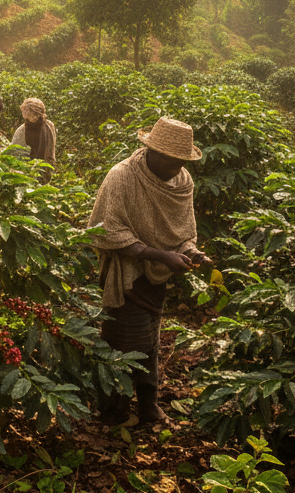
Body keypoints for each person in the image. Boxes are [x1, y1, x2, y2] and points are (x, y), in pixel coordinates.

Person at [89, 117, 210, 427]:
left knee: (150, 340)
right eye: (171, 161)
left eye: (182, 162)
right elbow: (106, 229)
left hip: (156, 279)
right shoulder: (122, 176)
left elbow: (183, 231)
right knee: (124, 339)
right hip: (127, 273)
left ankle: (147, 405)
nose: (177, 168)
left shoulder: (182, 181)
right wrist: (158, 255)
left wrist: (191, 252)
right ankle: (113, 407)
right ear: (153, 152)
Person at [9, 97, 56, 181]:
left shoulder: (49, 126)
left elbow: (51, 149)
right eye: (31, 114)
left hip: (44, 167)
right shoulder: (22, 131)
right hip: (27, 170)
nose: (34, 117)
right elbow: (14, 152)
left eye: (36, 114)